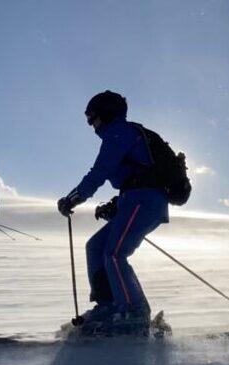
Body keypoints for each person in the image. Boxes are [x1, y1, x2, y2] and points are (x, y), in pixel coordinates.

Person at [57, 90, 169, 334]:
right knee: (96, 247)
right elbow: (132, 177)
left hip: (145, 201)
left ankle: (134, 312)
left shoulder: (119, 133)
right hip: (136, 200)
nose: (90, 124)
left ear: (106, 114)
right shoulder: (120, 134)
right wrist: (116, 206)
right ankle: (109, 305)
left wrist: (72, 199)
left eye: (92, 117)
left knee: (115, 253)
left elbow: (100, 172)